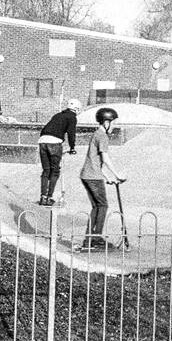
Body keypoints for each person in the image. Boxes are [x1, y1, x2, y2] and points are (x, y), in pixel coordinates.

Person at [76, 107, 125, 250]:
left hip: (88, 175)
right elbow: (105, 158)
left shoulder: (96, 134)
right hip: (93, 176)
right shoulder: (102, 136)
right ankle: (95, 239)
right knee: (102, 206)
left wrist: (108, 177)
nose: (114, 126)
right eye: (113, 123)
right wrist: (117, 175)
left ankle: (89, 239)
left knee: (96, 207)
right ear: (106, 122)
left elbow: (96, 161)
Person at [37, 99, 81, 206]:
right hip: (54, 143)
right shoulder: (72, 117)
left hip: (42, 141)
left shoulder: (58, 115)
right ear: (76, 109)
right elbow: (71, 133)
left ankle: (43, 197)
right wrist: (72, 148)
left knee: (46, 170)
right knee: (55, 171)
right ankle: (49, 197)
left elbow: (45, 129)